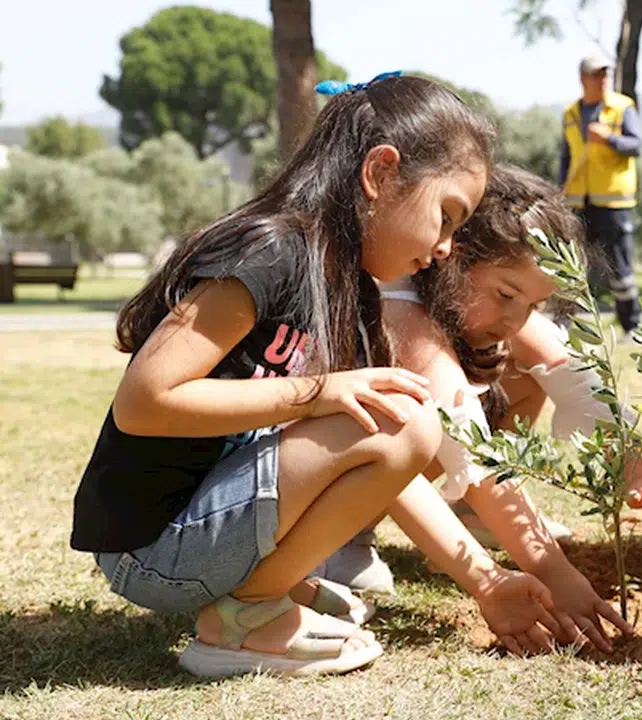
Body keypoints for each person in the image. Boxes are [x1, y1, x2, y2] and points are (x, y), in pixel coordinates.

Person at [68, 74, 560, 677]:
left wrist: (487, 581)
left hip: (201, 530)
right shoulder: (268, 252)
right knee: (406, 420)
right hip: (151, 548)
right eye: (446, 216)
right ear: (380, 173)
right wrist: (316, 393)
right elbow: (145, 402)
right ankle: (247, 614)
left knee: (401, 420)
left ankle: (257, 593)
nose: (445, 248)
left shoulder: (348, 288)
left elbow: (389, 457)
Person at [363, 163, 642, 651]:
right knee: (422, 420)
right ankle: (341, 546)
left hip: (394, 468)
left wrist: (633, 476)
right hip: (330, 476)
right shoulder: (401, 305)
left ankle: (471, 514)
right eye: (506, 295)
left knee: (528, 366)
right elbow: (468, 443)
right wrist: (552, 571)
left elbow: (572, 375)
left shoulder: (499, 302)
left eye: (533, 305)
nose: (515, 319)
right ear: (453, 256)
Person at [559, 55, 642, 334]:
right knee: (574, 265)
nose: (604, 79)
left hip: (613, 202)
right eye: (597, 75)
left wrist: (609, 138)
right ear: (583, 79)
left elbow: (636, 145)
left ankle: (631, 327)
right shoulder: (570, 113)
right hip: (577, 201)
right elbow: (566, 156)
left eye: (606, 74)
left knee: (620, 267)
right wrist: (559, 189)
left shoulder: (623, 107)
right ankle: (569, 328)